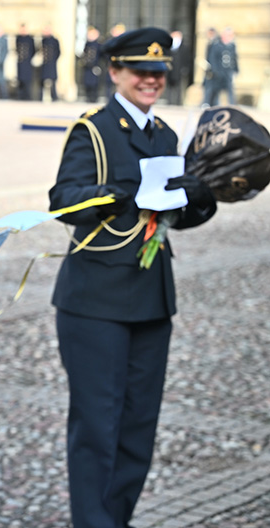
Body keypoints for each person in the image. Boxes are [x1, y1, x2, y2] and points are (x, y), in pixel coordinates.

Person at [49, 27, 217, 528]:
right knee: (98, 427)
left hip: (150, 298)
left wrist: (201, 196)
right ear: (116, 73)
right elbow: (64, 201)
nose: (151, 80)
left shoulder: (166, 135)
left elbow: (174, 215)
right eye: (140, 72)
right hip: (96, 299)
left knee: (138, 427)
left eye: (158, 73)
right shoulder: (93, 129)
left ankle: (115, 520)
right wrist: (122, 193)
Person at [207, 26, 238, 106]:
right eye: (229, 35)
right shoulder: (216, 45)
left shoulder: (232, 46)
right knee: (216, 90)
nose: (231, 37)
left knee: (230, 90)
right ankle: (214, 106)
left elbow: (234, 58)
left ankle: (232, 106)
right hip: (218, 72)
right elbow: (212, 58)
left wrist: (236, 69)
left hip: (228, 71)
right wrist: (215, 70)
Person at [166, 30, 192, 106]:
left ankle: (178, 102)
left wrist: (185, 69)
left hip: (179, 70)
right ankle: (169, 101)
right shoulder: (169, 47)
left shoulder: (184, 47)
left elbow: (187, 59)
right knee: (169, 87)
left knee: (179, 88)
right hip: (170, 70)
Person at [80, 26, 103, 103]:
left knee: (94, 84)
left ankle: (94, 97)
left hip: (95, 67)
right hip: (88, 67)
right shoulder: (87, 44)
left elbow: (101, 56)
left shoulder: (98, 45)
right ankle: (88, 96)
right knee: (87, 83)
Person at [39, 25, 60, 102]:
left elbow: (58, 52)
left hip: (51, 64)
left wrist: (53, 60)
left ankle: (54, 97)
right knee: (42, 81)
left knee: (53, 81)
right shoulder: (42, 40)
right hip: (44, 64)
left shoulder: (54, 41)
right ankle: (40, 97)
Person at [15, 23, 35, 100]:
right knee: (20, 80)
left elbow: (33, 50)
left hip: (27, 63)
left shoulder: (30, 39)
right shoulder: (18, 38)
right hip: (20, 62)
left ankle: (27, 96)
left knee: (27, 80)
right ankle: (20, 96)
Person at [200, 26, 218, 107]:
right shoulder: (209, 43)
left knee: (212, 88)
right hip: (209, 68)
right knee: (208, 87)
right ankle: (207, 102)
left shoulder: (217, 44)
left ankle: (209, 103)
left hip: (214, 70)